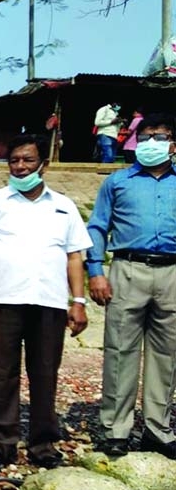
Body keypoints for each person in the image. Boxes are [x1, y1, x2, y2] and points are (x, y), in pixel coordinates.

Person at [0, 133, 90, 477]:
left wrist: (78, 302)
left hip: (48, 302)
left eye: (27, 161)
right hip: (3, 301)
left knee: (45, 374)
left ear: (43, 165)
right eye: (14, 161)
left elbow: (74, 257)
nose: (20, 167)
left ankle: (42, 445)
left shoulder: (63, 206)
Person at [86, 113, 176, 460]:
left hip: (171, 273)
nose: (152, 142)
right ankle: (116, 429)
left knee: (167, 355)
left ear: (172, 144)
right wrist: (96, 270)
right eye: (147, 136)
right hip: (127, 268)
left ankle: (158, 428)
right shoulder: (118, 182)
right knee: (120, 351)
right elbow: (97, 226)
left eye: (161, 136)